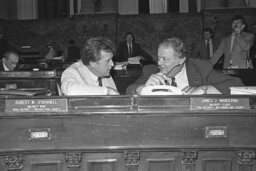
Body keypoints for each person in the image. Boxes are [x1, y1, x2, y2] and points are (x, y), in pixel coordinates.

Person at [126, 37, 244, 95]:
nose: (159, 63)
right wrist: (143, 88)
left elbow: (237, 85)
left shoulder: (200, 68)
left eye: (165, 59)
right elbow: (128, 90)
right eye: (158, 58)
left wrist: (202, 89)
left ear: (181, 59)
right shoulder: (150, 71)